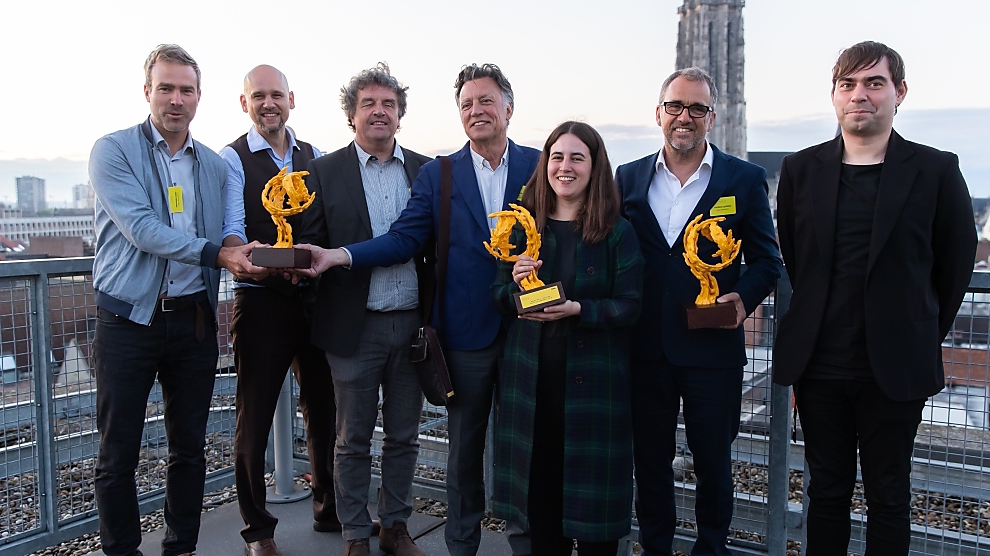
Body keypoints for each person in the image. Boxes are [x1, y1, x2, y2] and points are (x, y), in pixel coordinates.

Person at [294, 63, 539, 556]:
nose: (476, 110)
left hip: (520, 330)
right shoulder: (439, 174)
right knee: (448, 451)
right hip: (454, 335)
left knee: (520, 447)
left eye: (486, 101)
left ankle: (522, 541)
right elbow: (404, 239)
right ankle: (436, 543)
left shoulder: (539, 166)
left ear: (509, 108)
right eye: (467, 104)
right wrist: (338, 256)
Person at [772, 41, 977, 555]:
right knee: (826, 493)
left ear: (899, 92)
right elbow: (797, 258)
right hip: (821, 366)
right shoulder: (801, 170)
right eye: (847, 84)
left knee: (888, 496)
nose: (859, 94)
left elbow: (955, 266)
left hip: (896, 366)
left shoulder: (935, 170)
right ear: (834, 95)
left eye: (873, 83)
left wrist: (917, 330)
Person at [88, 44, 266, 556]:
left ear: (198, 97)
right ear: (147, 92)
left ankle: (181, 547)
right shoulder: (113, 151)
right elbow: (143, 230)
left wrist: (248, 251)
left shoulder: (214, 164)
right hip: (129, 320)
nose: (176, 99)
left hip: (193, 322)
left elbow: (226, 231)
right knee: (118, 452)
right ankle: (122, 550)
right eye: (165, 88)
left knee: (189, 448)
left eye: (186, 90)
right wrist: (219, 255)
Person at [614, 66, 782, 556]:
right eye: (675, 106)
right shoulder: (628, 177)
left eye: (697, 108)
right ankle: (657, 548)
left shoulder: (744, 179)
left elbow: (767, 262)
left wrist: (743, 298)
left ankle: (711, 548)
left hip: (713, 349)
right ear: (659, 113)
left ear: (713, 117)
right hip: (646, 348)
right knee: (650, 463)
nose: (684, 117)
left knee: (713, 462)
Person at [296, 63, 432, 556]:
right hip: (354, 330)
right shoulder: (323, 172)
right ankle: (355, 532)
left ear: (400, 115)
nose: (379, 112)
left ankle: (394, 527)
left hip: (412, 325)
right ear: (351, 115)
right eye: (368, 103)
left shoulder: (427, 170)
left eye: (388, 104)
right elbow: (310, 248)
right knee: (351, 438)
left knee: (404, 436)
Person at [491, 121, 643, 555]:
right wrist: (515, 288)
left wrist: (580, 310)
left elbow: (631, 305)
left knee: (597, 527)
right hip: (531, 387)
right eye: (557, 157)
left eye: (577, 157)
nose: (565, 167)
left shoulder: (617, 231)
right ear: (545, 165)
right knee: (542, 514)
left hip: (595, 389)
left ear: (595, 167)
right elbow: (497, 296)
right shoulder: (522, 228)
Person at [217, 65, 338, 556]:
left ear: (292, 99)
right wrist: (256, 260)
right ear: (244, 103)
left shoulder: (316, 156)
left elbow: (325, 223)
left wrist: (308, 261)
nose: (268, 104)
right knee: (254, 417)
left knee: (326, 410)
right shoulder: (232, 158)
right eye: (258, 96)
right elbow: (232, 227)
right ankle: (258, 531)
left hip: (312, 298)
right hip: (261, 300)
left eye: (276, 95)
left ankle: (329, 508)